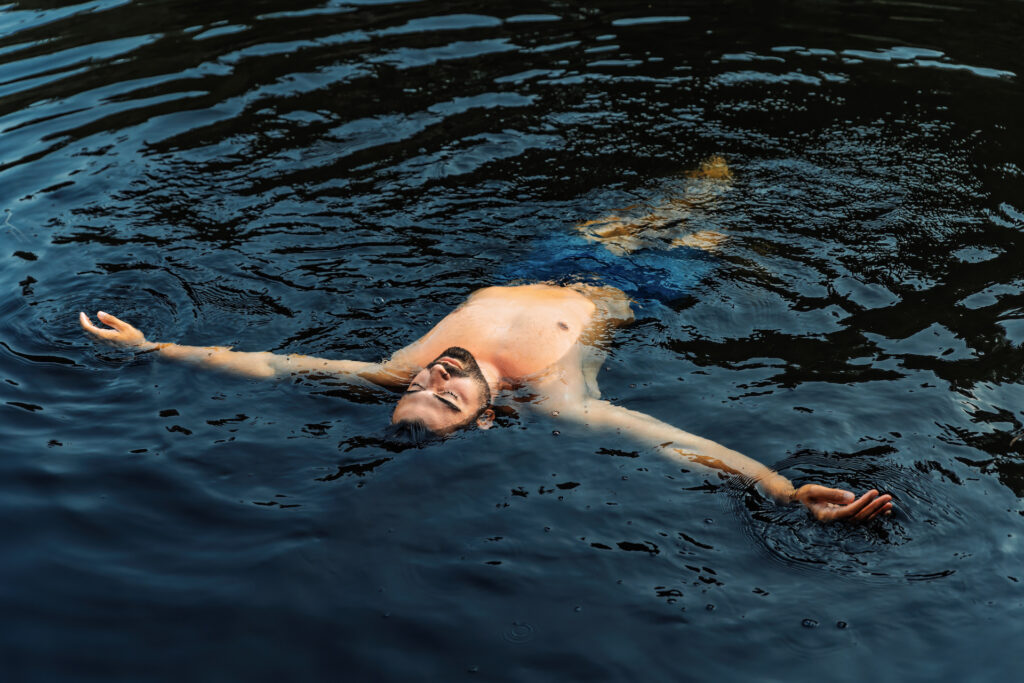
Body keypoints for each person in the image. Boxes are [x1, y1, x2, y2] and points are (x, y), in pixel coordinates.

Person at [79, 158, 893, 522]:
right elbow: (674, 440)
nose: (431, 376)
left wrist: (152, 349)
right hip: (633, 291)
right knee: (711, 218)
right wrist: (783, 491)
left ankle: (708, 177)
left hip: (549, 261)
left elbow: (266, 362)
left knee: (678, 187)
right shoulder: (555, 397)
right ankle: (727, 193)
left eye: (419, 388)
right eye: (447, 396)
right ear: (485, 417)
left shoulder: (386, 371)